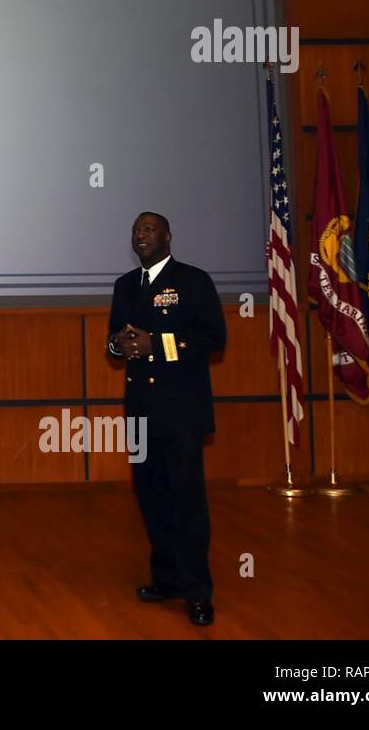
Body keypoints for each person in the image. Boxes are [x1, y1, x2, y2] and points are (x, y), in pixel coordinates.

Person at [107, 211, 226, 626]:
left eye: (149, 229)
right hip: (141, 411)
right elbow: (113, 345)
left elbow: (214, 339)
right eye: (137, 229)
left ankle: (197, 591)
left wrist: (157, 344)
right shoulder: (124, 285)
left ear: (168, 236)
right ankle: (167, 578)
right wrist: (120, 345)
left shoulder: (193, 281)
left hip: (181, 410)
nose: (141, 235)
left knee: (186, 500)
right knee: (152, 496)